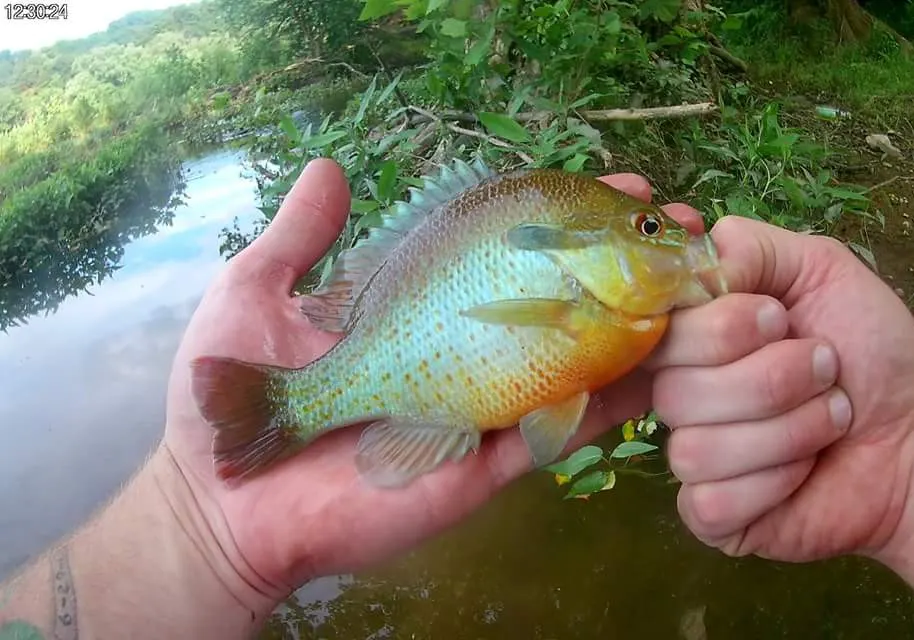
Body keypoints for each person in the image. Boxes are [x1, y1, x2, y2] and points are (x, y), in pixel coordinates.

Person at [1, 158, 912, 639]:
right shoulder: (594, 313)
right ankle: (290, 408)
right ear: (583, 254)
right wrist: (193, 531)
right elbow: (548, 405)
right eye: (646, 231)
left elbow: (554, 414)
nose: (671, 239)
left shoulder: (622, 323)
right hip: (403, 377)